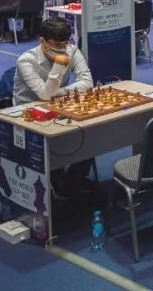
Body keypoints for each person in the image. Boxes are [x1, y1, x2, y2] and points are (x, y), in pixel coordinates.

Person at [13, 16, 94, 196]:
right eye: (57, 44)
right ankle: (56, 178)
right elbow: (44, 95)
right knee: (54, 138)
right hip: (27, 111)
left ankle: (76, 176)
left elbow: (87, 82)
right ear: (42, 41)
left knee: (91, 129)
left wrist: (58, 92)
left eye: (65, 43)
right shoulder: (26, 61)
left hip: (57, 104)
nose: (62, 48)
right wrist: (58, 64)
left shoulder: (72, 50)